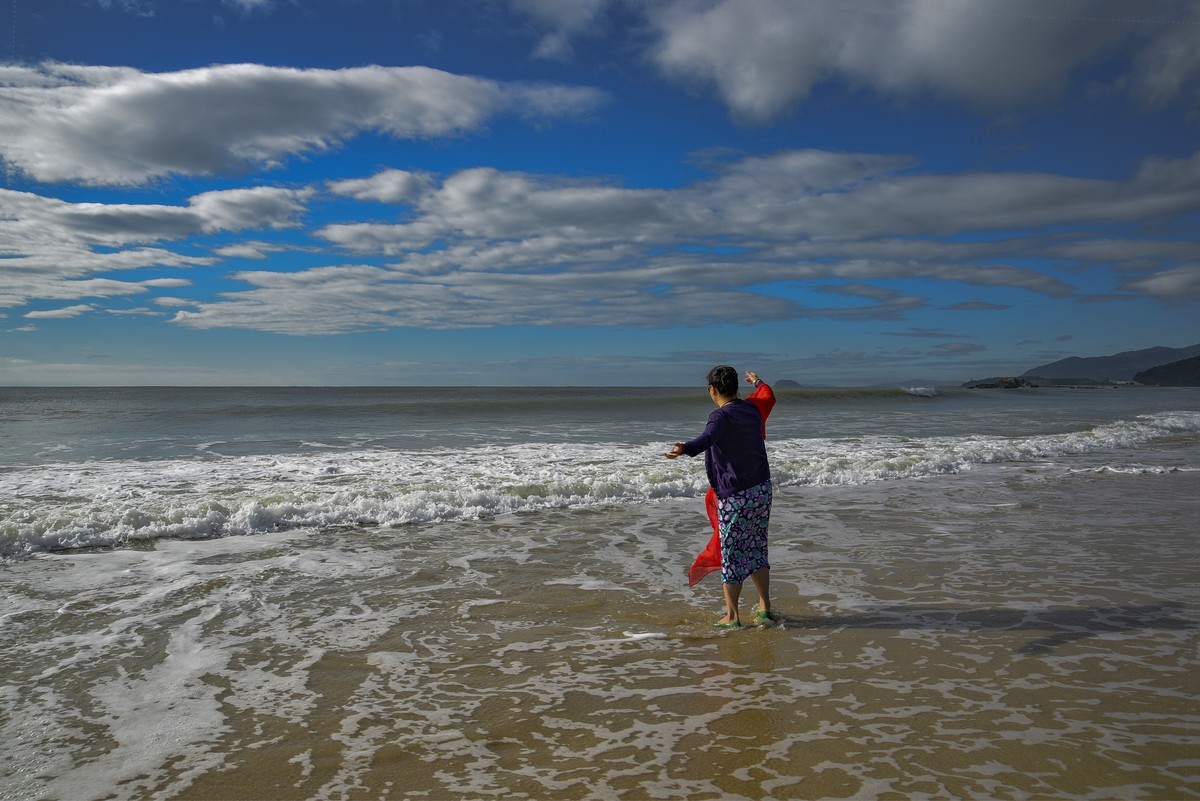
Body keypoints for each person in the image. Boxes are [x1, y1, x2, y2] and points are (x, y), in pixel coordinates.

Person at [666, 365, 774, 628]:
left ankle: (733, 616)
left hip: (736, 496)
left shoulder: (720, 416)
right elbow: (768, 394)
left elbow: (708, 437)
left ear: (712, 390)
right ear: (736, 387)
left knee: (732, 555)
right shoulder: (752, 408)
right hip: (761, 490)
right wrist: (757, 381)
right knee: (757, 548)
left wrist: (684, 448)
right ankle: (765, 608)